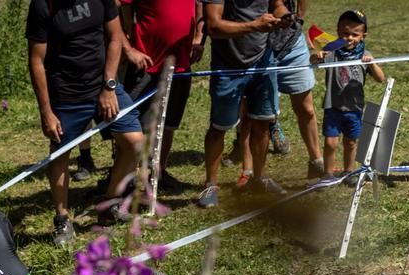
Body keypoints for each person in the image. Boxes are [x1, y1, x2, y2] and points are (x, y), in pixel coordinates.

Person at [27, 0, 147, 248]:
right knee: (60, 156)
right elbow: (36, 59)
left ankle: (110, 204)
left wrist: (109, 86)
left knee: (136, 144)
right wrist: (46, 111)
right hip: (66, 94)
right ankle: (62, 218)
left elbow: (115, 38)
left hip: (103, 86)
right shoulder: (43, 5)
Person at [197, 0, 293, 208]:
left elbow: (276, 4)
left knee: (262, 123)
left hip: (263, 61)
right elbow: (213, 26)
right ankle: (210, 184)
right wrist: (255, 25)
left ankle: (259, 178)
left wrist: (283, 16)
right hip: (228, 66)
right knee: (219, 127)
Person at [120, 0, 206, 193]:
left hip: (180, 65)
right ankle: (129, 180)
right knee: (134, 127)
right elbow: (110, 8)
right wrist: (127, 48)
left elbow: (200, 3)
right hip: (146, 65)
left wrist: (199, 36)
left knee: (168, 124)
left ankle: (158, 173)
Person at [310, 10, 384, 178]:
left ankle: (349, 172)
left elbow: (380, 78)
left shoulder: (365, 55)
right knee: (330, 143)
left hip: (354, 107)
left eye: (355, 34)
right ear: (338, 33)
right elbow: (313, 61)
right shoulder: (332, 52)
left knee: (350, 142)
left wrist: (372, 64)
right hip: (332, 106)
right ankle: (328, 174)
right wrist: (317, 56)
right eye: (345, 34)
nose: (349, 38)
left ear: (363, 36)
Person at [272, 0, 325, 179]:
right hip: (255, 46)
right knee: (255, 114)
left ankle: (317, 162)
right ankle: (251, 170)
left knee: (306, 109)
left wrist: (299, 17)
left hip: (292, 44)